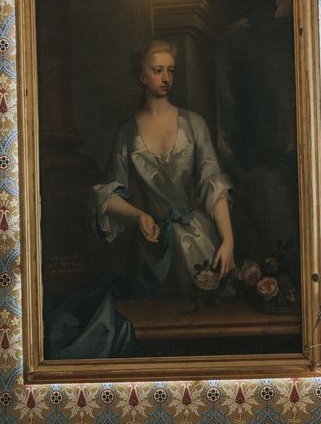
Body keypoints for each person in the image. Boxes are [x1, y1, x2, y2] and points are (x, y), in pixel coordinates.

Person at [92, 39, 235, 297]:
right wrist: (140, 216)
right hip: (151, 245)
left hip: (197, 239)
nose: (166, 77)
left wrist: (228, 240)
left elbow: (212, 183)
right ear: (142, 76)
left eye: (170, 70)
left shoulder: (194, 124)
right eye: (158, 70)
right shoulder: (127, 133)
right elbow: (108, 195)